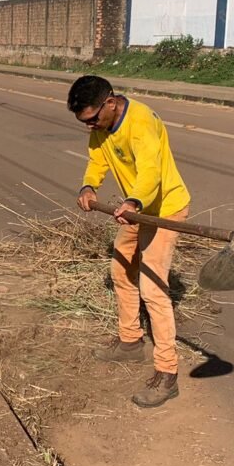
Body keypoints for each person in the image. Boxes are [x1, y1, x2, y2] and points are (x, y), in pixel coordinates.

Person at [67, 75, 191, 409]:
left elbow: (151, 172)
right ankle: (130, 341)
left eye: (93, 118)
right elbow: (98, 160)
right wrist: (89, 186)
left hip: (162, 209)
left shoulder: (140, 123)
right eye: (85, 122)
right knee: (121, 271)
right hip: (135, 209)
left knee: (152, 288)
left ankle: (167, 375)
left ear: (110, 103)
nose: (90, 126)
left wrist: (134, 202)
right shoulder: (100, 129)